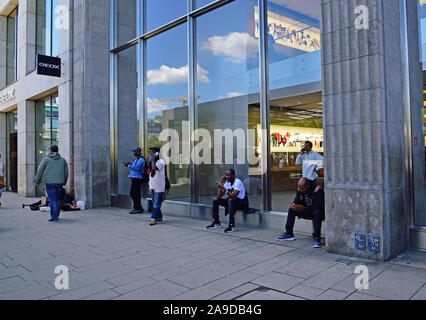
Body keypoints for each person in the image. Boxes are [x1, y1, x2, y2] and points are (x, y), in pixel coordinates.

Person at [276, 178, 325, 248]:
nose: (301, 190)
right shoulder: (300, 189)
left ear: (308, 186)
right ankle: (289, 233)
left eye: (302, 189)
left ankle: (317, 238)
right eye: (300, 188)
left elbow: (319, 206)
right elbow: (297, 200)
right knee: (291, 210)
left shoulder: (317, 189)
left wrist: (304, 209)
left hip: (318, 212)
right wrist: (294, 204)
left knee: (317, 212)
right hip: (305, 210)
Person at [33, 145, 69, 222]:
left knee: (52, 200)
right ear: (57, 151)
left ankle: (54, 217)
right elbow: (66, 173)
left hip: (49, 183)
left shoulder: (46, 159)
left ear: (50, 150)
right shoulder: (63, 160)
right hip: (60, 183)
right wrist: (64, 181)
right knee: (58, 199)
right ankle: (56, 215)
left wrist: (37, 181)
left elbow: (40, 171)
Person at [206, 169, 247, 233]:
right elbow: (219, 196)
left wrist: (223, 188)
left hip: (241, 202)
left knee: (231, 200)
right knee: (216, 200)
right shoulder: (227, 183)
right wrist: (220, 184)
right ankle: (216, 223)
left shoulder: (238, 182)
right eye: (225, 175)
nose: (226, 177)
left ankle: (231, 225)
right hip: (231, 201)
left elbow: (234, 196)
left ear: (233, 176)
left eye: (228, 175)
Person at [124, 147, 146, 215]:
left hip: (137, 178)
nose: (134, 153)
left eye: (135, 151)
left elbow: (137, 168)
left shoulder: (141, 159)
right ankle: (138, 208)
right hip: (134, 178)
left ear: (139, 152)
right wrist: (130, 164)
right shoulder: (137, 159)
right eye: (133, 151)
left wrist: (128, 165)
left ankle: (137, 208)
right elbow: (135, 166)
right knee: (134, 193)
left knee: (135, 194)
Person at [149, 147, 166, 226]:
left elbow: (154, 168)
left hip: (159, 187)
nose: (151, 153)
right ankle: (159, 216)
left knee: (156, 204)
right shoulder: (152, 161)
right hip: (153, 186)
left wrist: (153, 160)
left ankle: (153, 218)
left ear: (157, 153)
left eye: (152, 152)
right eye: (151, 152)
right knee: (154, 203)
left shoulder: (161, 161)